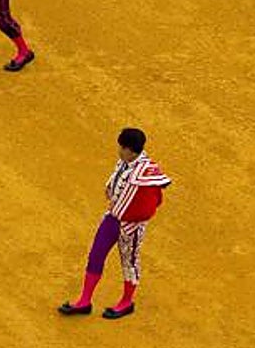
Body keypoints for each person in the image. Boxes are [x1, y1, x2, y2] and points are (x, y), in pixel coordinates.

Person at [58, 128, 172, 320]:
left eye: (122, 148)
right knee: (96, 254)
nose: (119, 151)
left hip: (131, 226)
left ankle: (127, 302)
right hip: (113, 218)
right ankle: (85, 301)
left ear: (130, 150)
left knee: (129, 262)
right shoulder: (126, 161)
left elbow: (155, 200)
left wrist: (131, 215)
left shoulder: (146, 172)